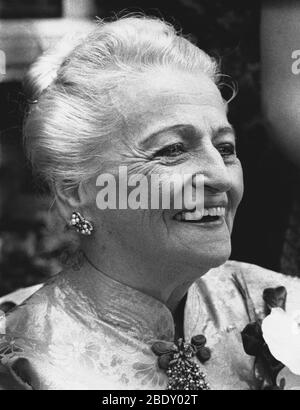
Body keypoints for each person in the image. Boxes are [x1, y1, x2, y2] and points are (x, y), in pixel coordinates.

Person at [0, 16, 299, 390]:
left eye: (225, 148)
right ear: (75, 191)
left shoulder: (279, 305)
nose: (221, 177)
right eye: (173, 150)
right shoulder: (23, 362)